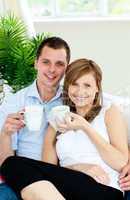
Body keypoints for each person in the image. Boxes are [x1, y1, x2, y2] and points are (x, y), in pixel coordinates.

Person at [1, 58, 128, 200]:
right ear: (67, 87)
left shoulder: (109, 112)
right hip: (66, 189)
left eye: (87, 85)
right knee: (11, 164)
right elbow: (47, 171)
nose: (80, 91)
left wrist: (85, 126)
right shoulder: (56, 120)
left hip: (105, 189)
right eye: (75, 84)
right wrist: (79, 168)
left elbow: (121, 163)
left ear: (97, 87)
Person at [0, 36, 71, 199]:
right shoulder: (14, 102)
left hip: (64, 174)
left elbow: (105, 109)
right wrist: (5, 134)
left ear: (66, 68)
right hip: (25, 176)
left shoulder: (73, 99)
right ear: (36, 63)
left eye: (59, 64)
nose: (52, 70)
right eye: (46, 62)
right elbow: (6, 163)